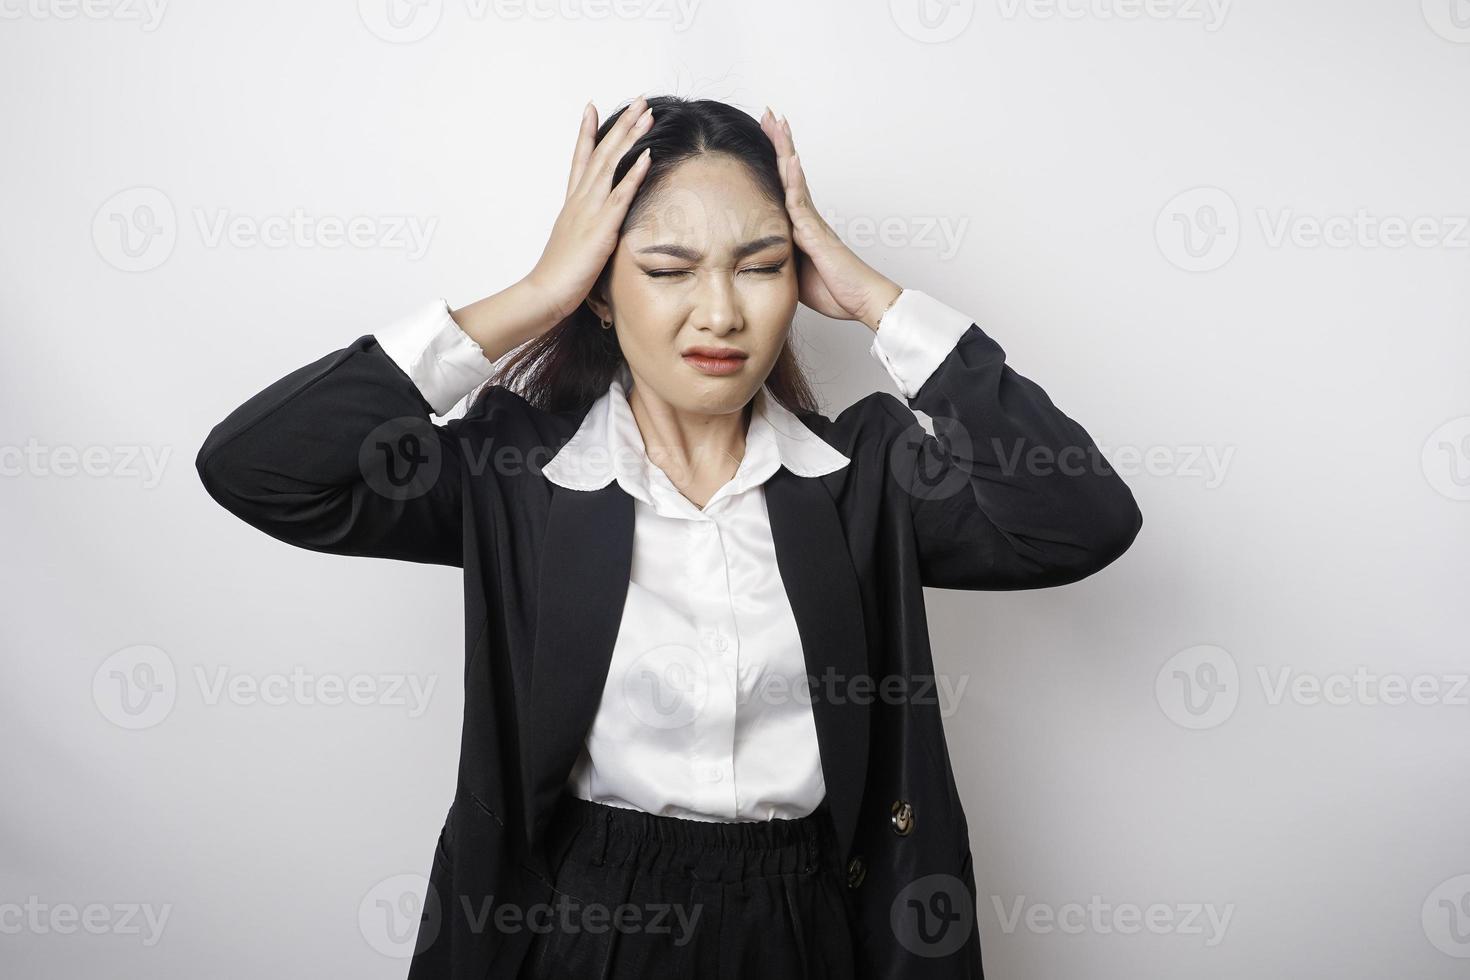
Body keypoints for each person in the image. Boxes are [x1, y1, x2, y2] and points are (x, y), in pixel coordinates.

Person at [195, 94, 1144, 979]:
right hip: (577, 924)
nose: (722, 312)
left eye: (762, 266)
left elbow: (1081, 523)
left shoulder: (865, 475)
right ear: (602, 291)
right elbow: (261, 468)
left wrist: (874, 298)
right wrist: (532, 295)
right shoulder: (517, 476)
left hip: (809, 924)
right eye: (666, 269)